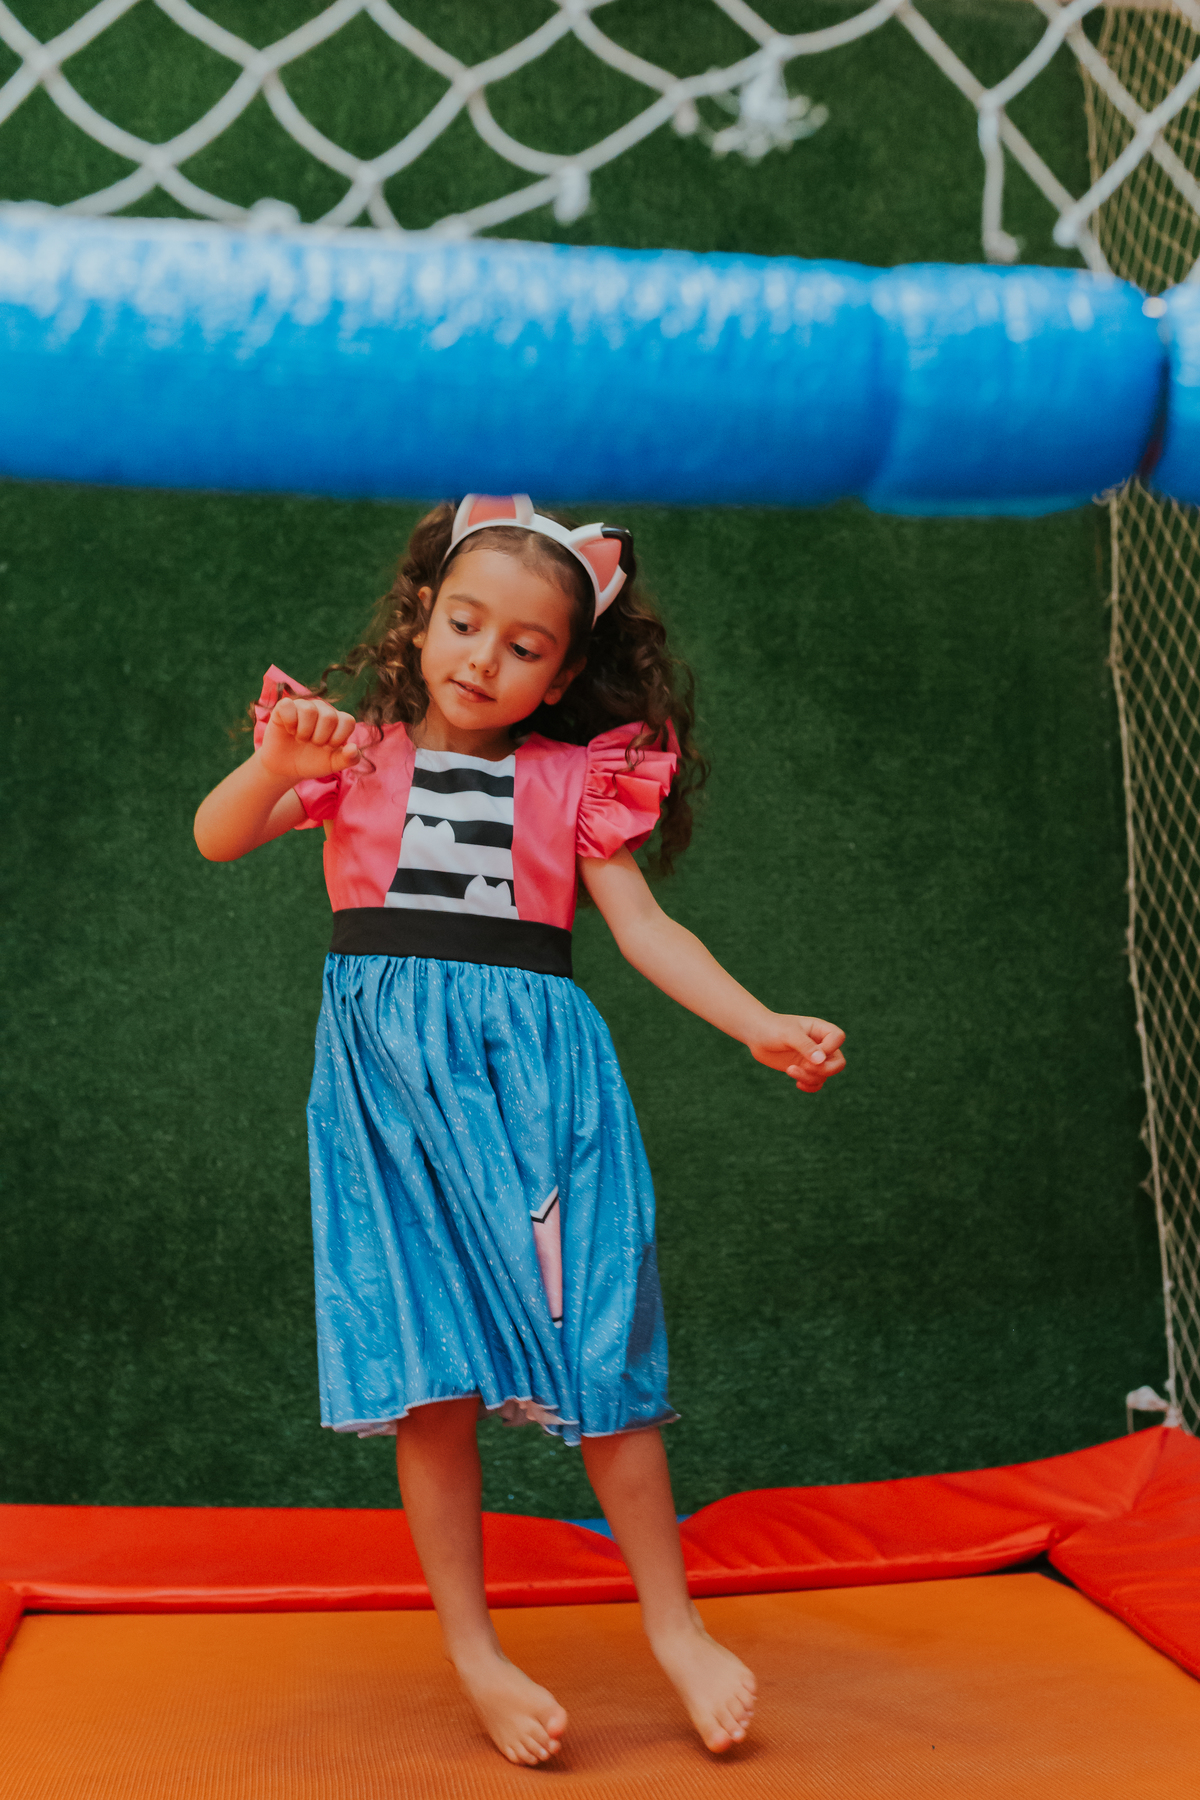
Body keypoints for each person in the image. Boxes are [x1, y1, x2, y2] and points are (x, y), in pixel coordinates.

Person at [194, 494, 846, 1766]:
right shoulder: (356, 756)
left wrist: (757, 1023)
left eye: (524, 646)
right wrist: (280, 763)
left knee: (603, 1344)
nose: (482, 659)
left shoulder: (572, 781)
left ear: (565, 672)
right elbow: (218, 838)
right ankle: (477, 1654)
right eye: (463, 623)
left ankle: (674, 1626)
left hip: (543, 1084)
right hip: (390, 1098)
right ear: (420, 621)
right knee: (431, 1381)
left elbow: (646, 932)